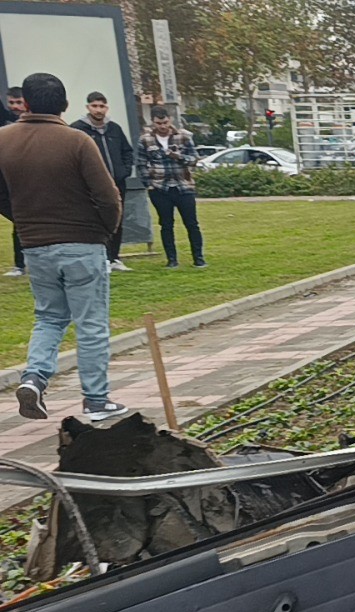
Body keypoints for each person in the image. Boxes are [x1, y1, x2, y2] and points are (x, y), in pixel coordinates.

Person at [0, 72, 128, 422]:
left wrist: (22, 219)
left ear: (24, 103)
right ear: (66, 105)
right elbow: (107, 195)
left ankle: (35, 377)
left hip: (35, 244)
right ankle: (96, 399)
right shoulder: (77, 140)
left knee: (49, 316)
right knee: (91, 324)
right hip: (83, 243)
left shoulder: (4, 139)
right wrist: (106, 229)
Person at [72, 91, 135, 271]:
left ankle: (114, 257)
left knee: (116, 218)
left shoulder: (114, 128)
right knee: (95, 220)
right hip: (92, 186)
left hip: (117, 183)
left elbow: (127, 151)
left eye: (102, 106)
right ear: (88, 107)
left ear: (106, 108)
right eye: (94, 106)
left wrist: (124, 171)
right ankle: (100, 258)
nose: (98, 110)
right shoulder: (78, 129)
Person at [140, 106, 205, 268]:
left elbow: (194, 159)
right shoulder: (145, 140)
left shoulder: (183, 136)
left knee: (192, 223)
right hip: (160, 188)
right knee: (166, 224)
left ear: (170, 120)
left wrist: (178, 156)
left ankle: (198, 258)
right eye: (158, 123)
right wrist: (148, 184)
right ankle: (172, 260)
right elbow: (140, 163)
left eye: (165, 122)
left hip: (184, 186)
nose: (162, 126)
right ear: (153, 122)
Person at [4, 87, 25, 278]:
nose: (15, 107)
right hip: (6, 182)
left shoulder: (32, 121)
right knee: (19, 221)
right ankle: (20, 265)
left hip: (29, 179)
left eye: (19, 102)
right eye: (12, 103)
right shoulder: (4, 122)